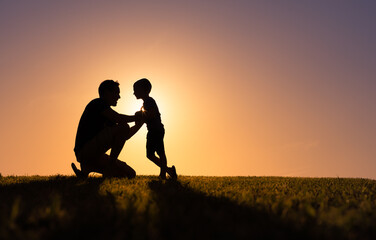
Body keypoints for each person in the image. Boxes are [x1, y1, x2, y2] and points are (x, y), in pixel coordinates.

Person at [72, 80, 143, 178]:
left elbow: (124, 135)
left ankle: (87, 168)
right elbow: (119, 119)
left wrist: (139, 124)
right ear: (107, 93)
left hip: (94, 155)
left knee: (129, 174)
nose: (119, 97)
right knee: (124, 126)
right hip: (85, 151)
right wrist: (136, 118)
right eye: (116, 93)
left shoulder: (107, 114)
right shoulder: (97, 103)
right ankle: (110, 166)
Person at [133, 78, 177, 179]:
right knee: (150, 154)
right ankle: (169, 170)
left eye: (135, 90)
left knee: (160, 152)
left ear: (143, 90)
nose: (134, 92)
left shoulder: (149, 101)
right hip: (153, 130)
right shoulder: (146, 102)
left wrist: (140, 115)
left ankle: (163, 174)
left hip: (156, 130)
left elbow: (151, 114)